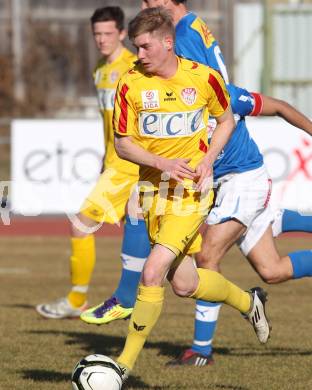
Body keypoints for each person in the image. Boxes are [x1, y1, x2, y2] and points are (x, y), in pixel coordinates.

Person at [140, 0, 312, 367]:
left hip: (245, 177)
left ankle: (201, 350)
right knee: (273, 270)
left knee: (208, 254)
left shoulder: (214, 91)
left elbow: (278, 105)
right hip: (224, 184)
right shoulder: (168, 103)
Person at [106, 8, 271, 382]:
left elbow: (226, 120)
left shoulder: (202, 78)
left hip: (191, 196)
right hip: (154, 194)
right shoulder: (129, 83)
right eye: (135, 47)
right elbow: (123, 144)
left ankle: (121, 367)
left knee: (152, 272)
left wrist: (209, 159)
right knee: (184, 284)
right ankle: (250, 303)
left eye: (145, 46)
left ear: (167, 43)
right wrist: (161, 164)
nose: (139, 54)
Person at [36, 6, 151, 320]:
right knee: (164, 242)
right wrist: (105, 159)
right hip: (115, 164)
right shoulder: (100, 70)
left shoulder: (136, 67)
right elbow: (109, 124)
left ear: (123, 34)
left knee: (80, 226)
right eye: (97, 34)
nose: (101, 40)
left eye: (108, 34)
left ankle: (77, 300)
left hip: (131, 166)